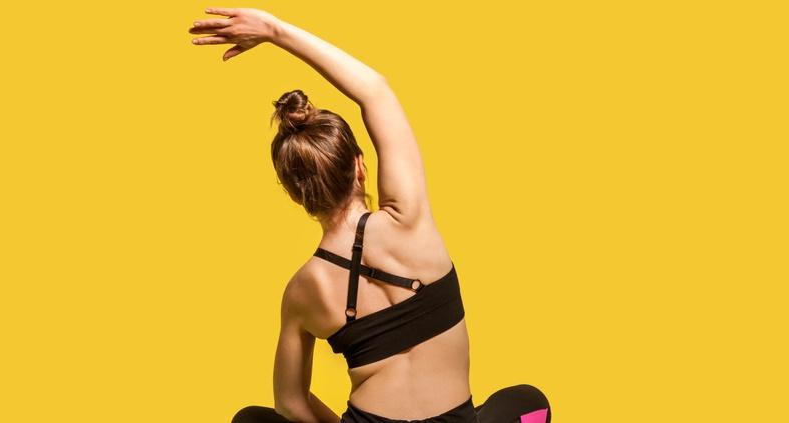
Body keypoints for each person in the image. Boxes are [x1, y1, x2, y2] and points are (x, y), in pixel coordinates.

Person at [189, 7, 551, 423]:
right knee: (528, 399)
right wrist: (274, 31)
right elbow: (375, 90)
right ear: (360, 165)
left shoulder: (302, 292)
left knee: (251, 419)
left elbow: (290, 403)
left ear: (295, 195)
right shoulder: (409, 221)